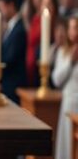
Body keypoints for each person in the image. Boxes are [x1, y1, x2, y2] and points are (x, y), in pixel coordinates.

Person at [51, 17, 78, 159]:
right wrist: (71, 61)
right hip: (68, 104)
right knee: (66, 144)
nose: (75, 32)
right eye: (73, 28)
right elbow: (56, 80)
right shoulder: (63, 52)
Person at [0, 0, 27, 104]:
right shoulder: (11, 27)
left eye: (2, 8)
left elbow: (11, 57)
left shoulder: (19, 30)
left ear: (11, 6)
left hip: (13, 83)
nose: (1, 12)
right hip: (7, 82)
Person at [27, 0, 58, 86]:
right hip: (34, 66)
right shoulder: (36, 21)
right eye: (44, 4)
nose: (46, 7)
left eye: (49, 4)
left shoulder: (58, 26)